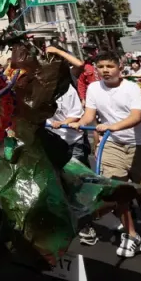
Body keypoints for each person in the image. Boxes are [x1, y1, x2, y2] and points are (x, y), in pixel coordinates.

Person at [68, 52, 141, 260]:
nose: (105, 70)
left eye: (110, 66)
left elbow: (137, 116)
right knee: (117, 191)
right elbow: (90, 115)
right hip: (113, 145)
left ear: (119, 68)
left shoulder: (132, 88)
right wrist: (80, 123)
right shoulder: (93, 88)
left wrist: (113, 126)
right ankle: (131, 235)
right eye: (100, 67)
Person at [46, 76, 96, 244]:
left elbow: (76, 114)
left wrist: (63, 122)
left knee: (78, 182)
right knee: (57, 182)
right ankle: (67, 221)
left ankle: (86, 224)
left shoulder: (67, 89)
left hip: (72, 141)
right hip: (52, 141)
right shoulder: (40, 88)